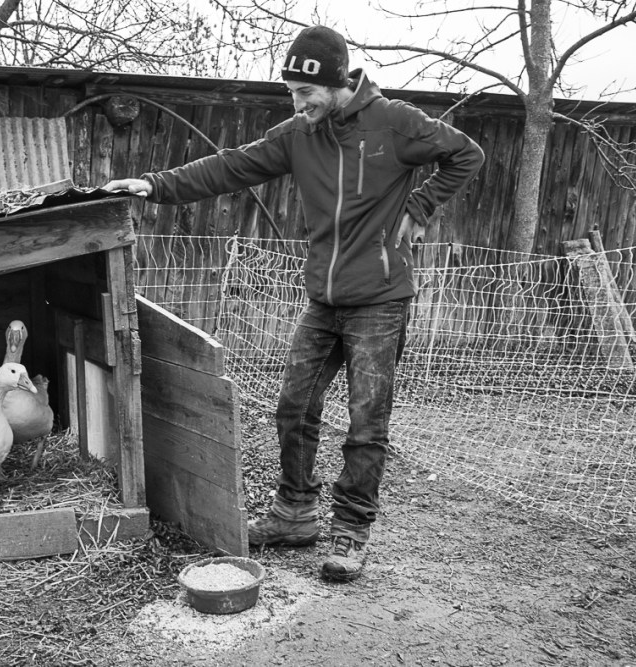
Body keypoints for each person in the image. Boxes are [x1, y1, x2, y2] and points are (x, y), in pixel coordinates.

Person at [104, 25, 484, 582]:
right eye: (291, 92)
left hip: (379, 301)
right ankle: (295, 513)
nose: (297, 102)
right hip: (324, 299)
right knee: (294, 407)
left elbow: (466, 154)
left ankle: (351, 533)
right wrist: (154, 185)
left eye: (305, 92)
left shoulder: (394, 123)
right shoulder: (298, 134)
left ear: (334, 84)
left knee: (365, 423)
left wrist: (421, 207)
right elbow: (231, 165)